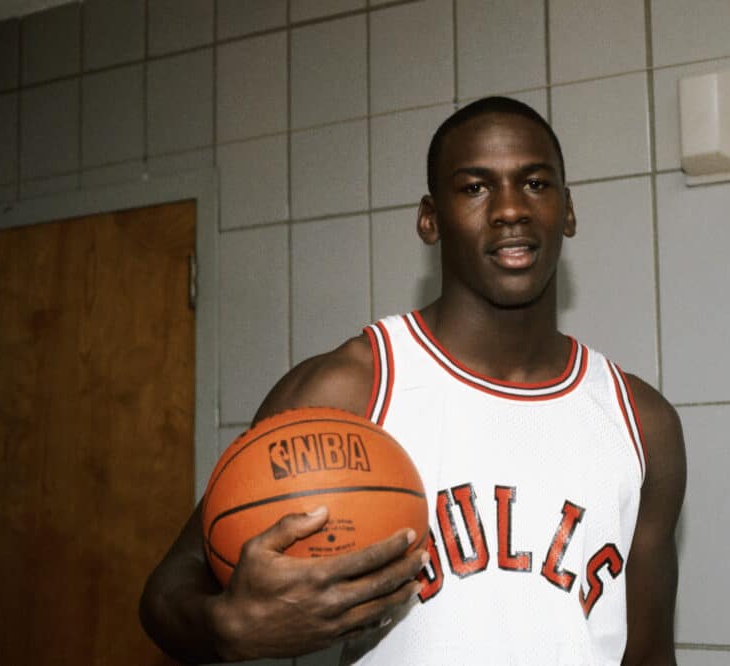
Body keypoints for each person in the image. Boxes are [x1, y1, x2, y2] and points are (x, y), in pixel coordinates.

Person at [139, 96, 686, 665]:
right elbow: (166, 592)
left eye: (535, 184)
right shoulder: (349, 391)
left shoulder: (641, 423)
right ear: (430, 219)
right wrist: (224, 627)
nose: (509, 210)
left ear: (567, 211)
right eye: (475, 187)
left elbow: (648, 655)